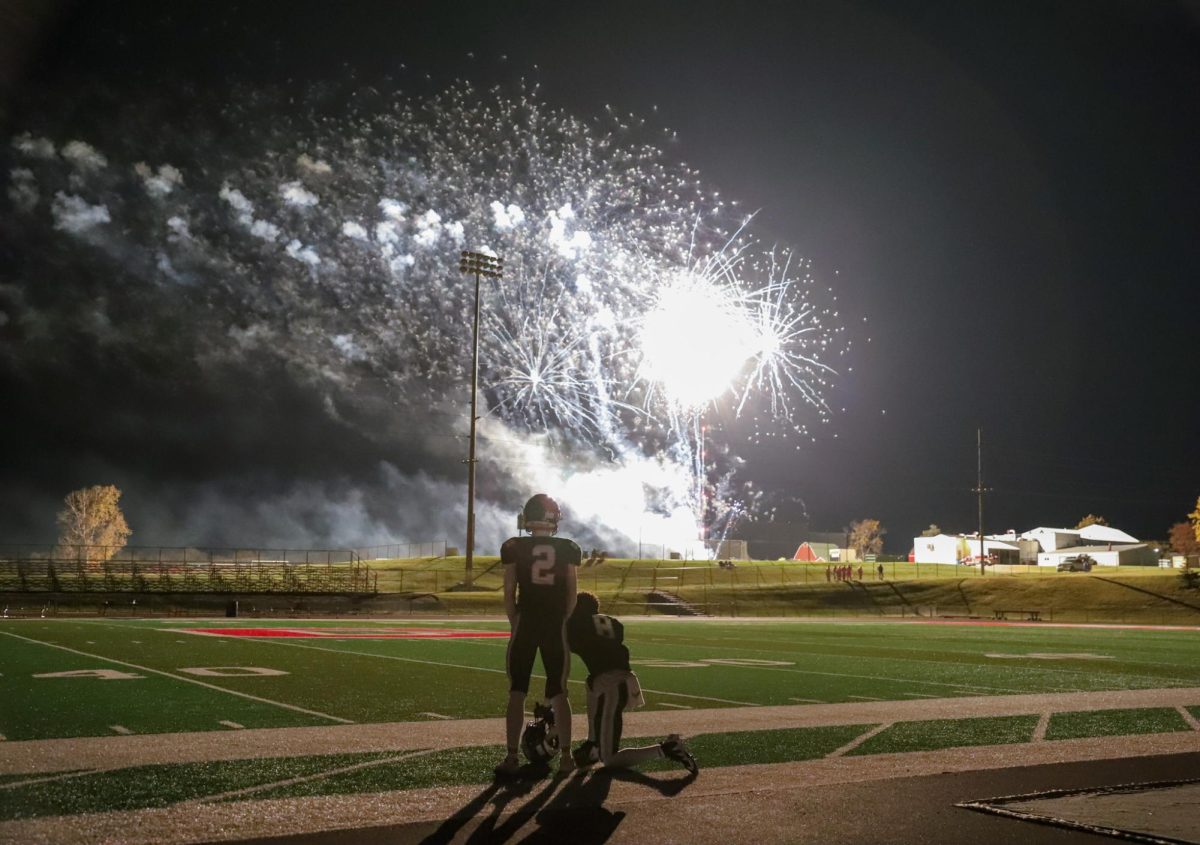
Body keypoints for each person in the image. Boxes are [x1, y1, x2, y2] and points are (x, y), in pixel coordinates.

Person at [495, 493, 580, 778]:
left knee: (517, 691)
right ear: (548, 517)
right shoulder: (568, 547)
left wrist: (515, 620)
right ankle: (567, 757)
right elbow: (572, 594)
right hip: (554, 622)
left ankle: (511, 757)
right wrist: (562, 620)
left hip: (527, 621)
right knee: (558, 691)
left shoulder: (513, 546)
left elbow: (509, 592)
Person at [566, 590, 698, 773]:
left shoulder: (577, 624)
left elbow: (567, 641)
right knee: (591, 685)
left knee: (609, 759)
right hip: (617, 680)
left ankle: (666, 749)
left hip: (612, 685)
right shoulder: (611, 622)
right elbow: (614, 636)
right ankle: (593, 743)